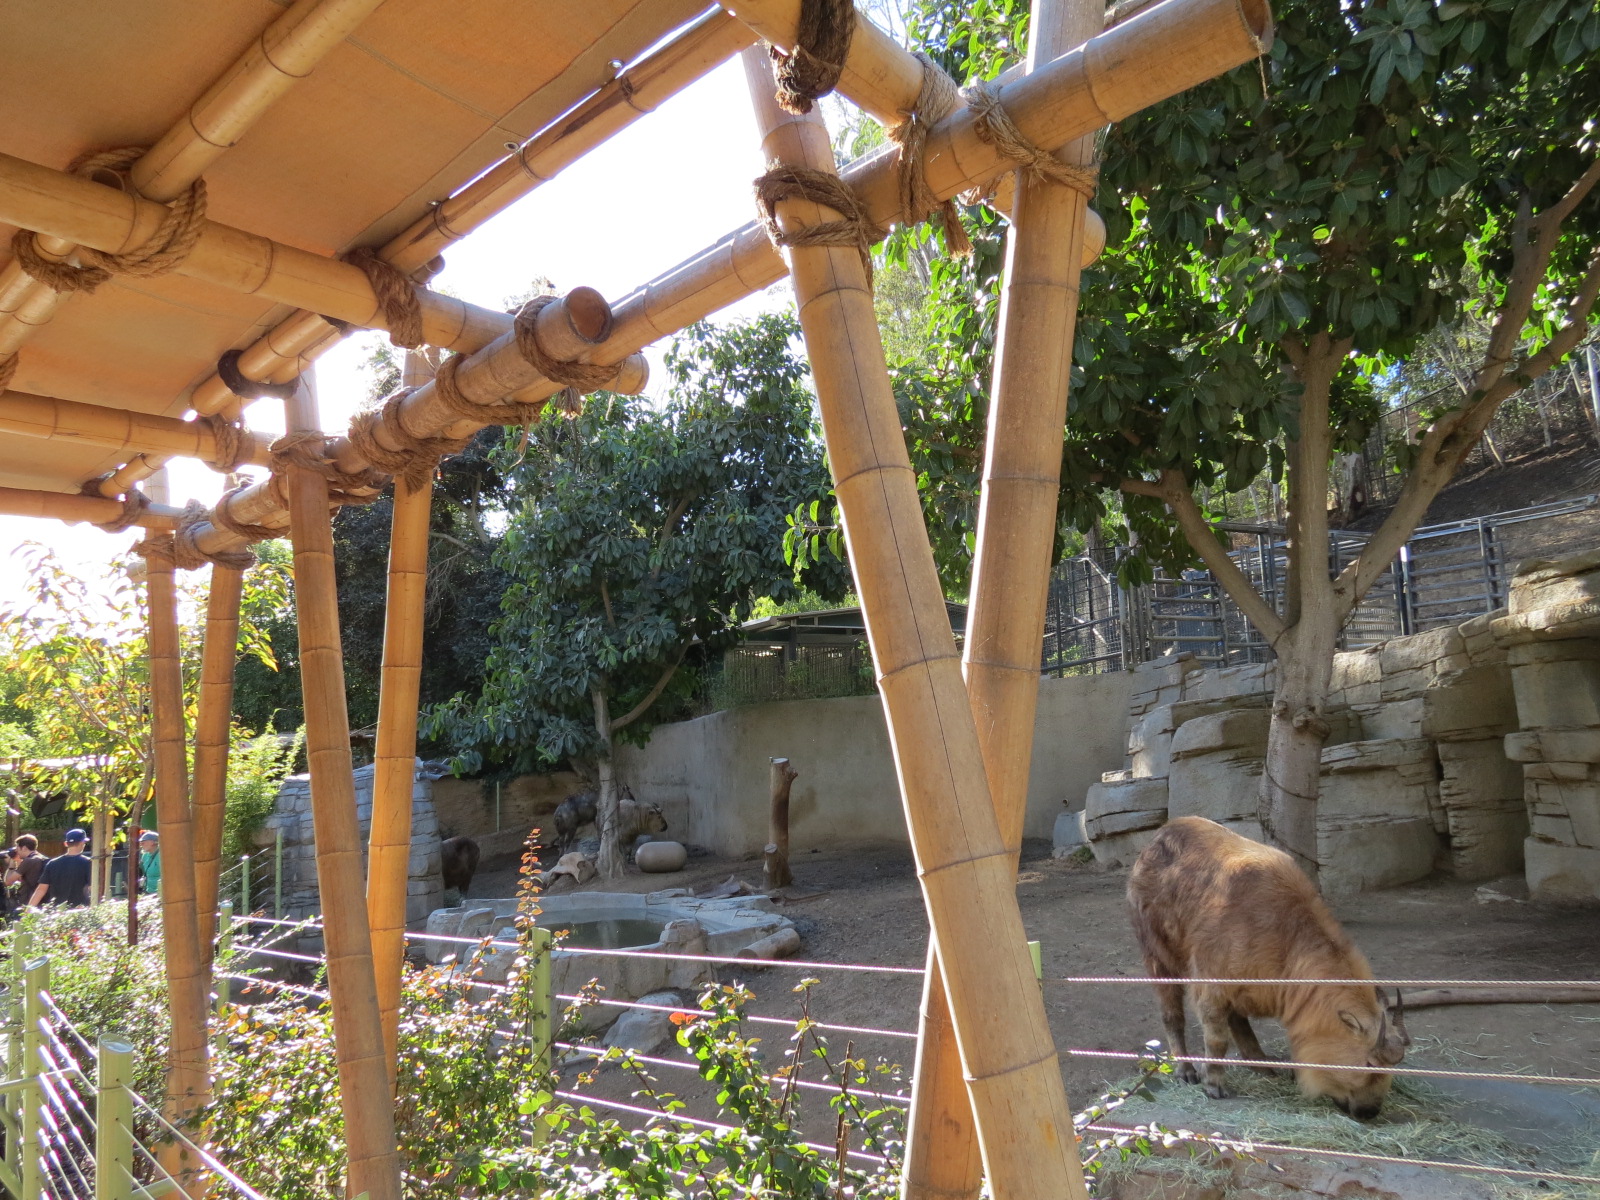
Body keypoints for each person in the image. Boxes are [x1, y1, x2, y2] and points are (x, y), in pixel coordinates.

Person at [31, 829, 91, 908]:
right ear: (82, 843)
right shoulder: (88, 863)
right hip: (80, 911)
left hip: (58, 912)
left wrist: (28, 910)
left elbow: (41, 889)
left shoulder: (52, 863)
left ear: (66, 844)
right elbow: (92, 888)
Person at [6, 834, 48, 910]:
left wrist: (12, 863)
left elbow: (8, 881)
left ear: (24, 848)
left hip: (28, 903)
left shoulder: (29, 861)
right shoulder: (43, 859)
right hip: (42, 902)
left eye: (17, 849)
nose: (16, 852)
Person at [137, 830, 161, 898]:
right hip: (148, 892)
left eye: (143, 842)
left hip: (159, 893)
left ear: (153, 842)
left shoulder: (162, 855)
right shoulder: (145, 856)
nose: (141, 844)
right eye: (141, 842)